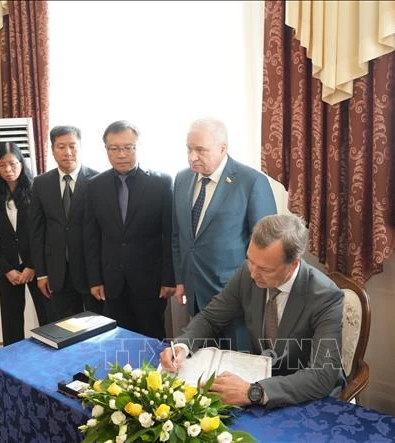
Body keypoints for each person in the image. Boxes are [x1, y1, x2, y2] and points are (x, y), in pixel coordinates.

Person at [160, 213, 346, 408]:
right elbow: (210, 318)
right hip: (258, 378)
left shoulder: (326, 296)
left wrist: (254, 391)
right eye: (250, 260)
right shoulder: (247, 273)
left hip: (308, 395)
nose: (253, 273)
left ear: (293, 265)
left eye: (265, 269)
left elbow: (322, 374)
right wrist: (182, 345)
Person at [172, 117, 277, 349]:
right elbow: (178, 236)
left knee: (233, 368)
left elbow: (267, 245)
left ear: (222, 148)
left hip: (235, 298)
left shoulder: (252, 182)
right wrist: (180, 280)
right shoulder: (181, 179)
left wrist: (252, 291)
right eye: (189, 149)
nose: (192, 157)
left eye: (200, 150)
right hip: (195, 294)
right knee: (200, 369)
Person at [84, 121, 175, 339]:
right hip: (112, 280)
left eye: (128, 147)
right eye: (114, 148)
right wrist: (95, 279)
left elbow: (170, 233)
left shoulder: (161, 183)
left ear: (138, 146)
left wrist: (169, 278)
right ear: (106, 149)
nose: (121, 154)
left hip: (150, 280)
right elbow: (91, 236)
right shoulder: (94, 185)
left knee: (152, 337)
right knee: (119, 339)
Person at [29, 126, 100, 322]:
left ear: (81, 147)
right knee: (65, 329)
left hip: (90, 272)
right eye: (61, 147)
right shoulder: (41, 183)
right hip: (57, 272)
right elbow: (36, 232)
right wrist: (41, 274)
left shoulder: (97, 179)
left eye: (72, 146)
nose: (67, 152)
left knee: (97, 327)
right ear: (52, 150)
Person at [0, 142, 49, 346]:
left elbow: (44, 232)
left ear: (21, 163)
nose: (8, 170)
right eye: (2, 165)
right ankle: (13, 366)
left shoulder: (36, 190)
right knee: (11, 322)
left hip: (36, 266)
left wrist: (32, 266)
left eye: (13, 163)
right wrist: (6, 270)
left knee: (47, 316)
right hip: (9, 268)